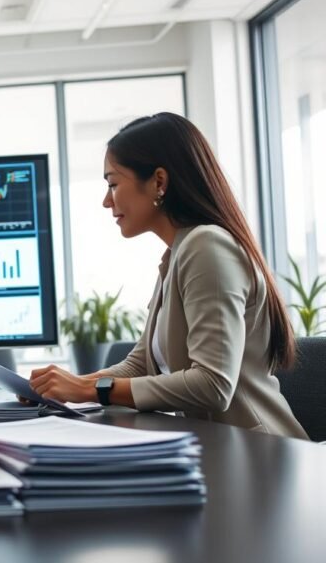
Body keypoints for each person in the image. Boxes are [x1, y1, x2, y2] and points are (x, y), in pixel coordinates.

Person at [27, 112, 308, 439]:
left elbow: (213, 384)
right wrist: (63, 386)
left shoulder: (207, 247)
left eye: (113, 184)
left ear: (159, 182)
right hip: (220, 448)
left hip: (260, 454)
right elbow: (139, 364)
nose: (106, 201)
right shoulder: (177, 254)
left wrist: (92, 390)